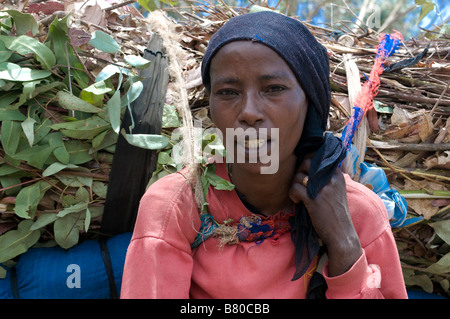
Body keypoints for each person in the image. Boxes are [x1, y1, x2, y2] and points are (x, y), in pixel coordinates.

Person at [120, 11, 408, 299]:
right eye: (228, 92)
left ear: (310, 104)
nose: (249, 112)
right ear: (212, 110)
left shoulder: (357, 214)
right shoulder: (177, 206)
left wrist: (344, 242)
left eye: (274, 89)